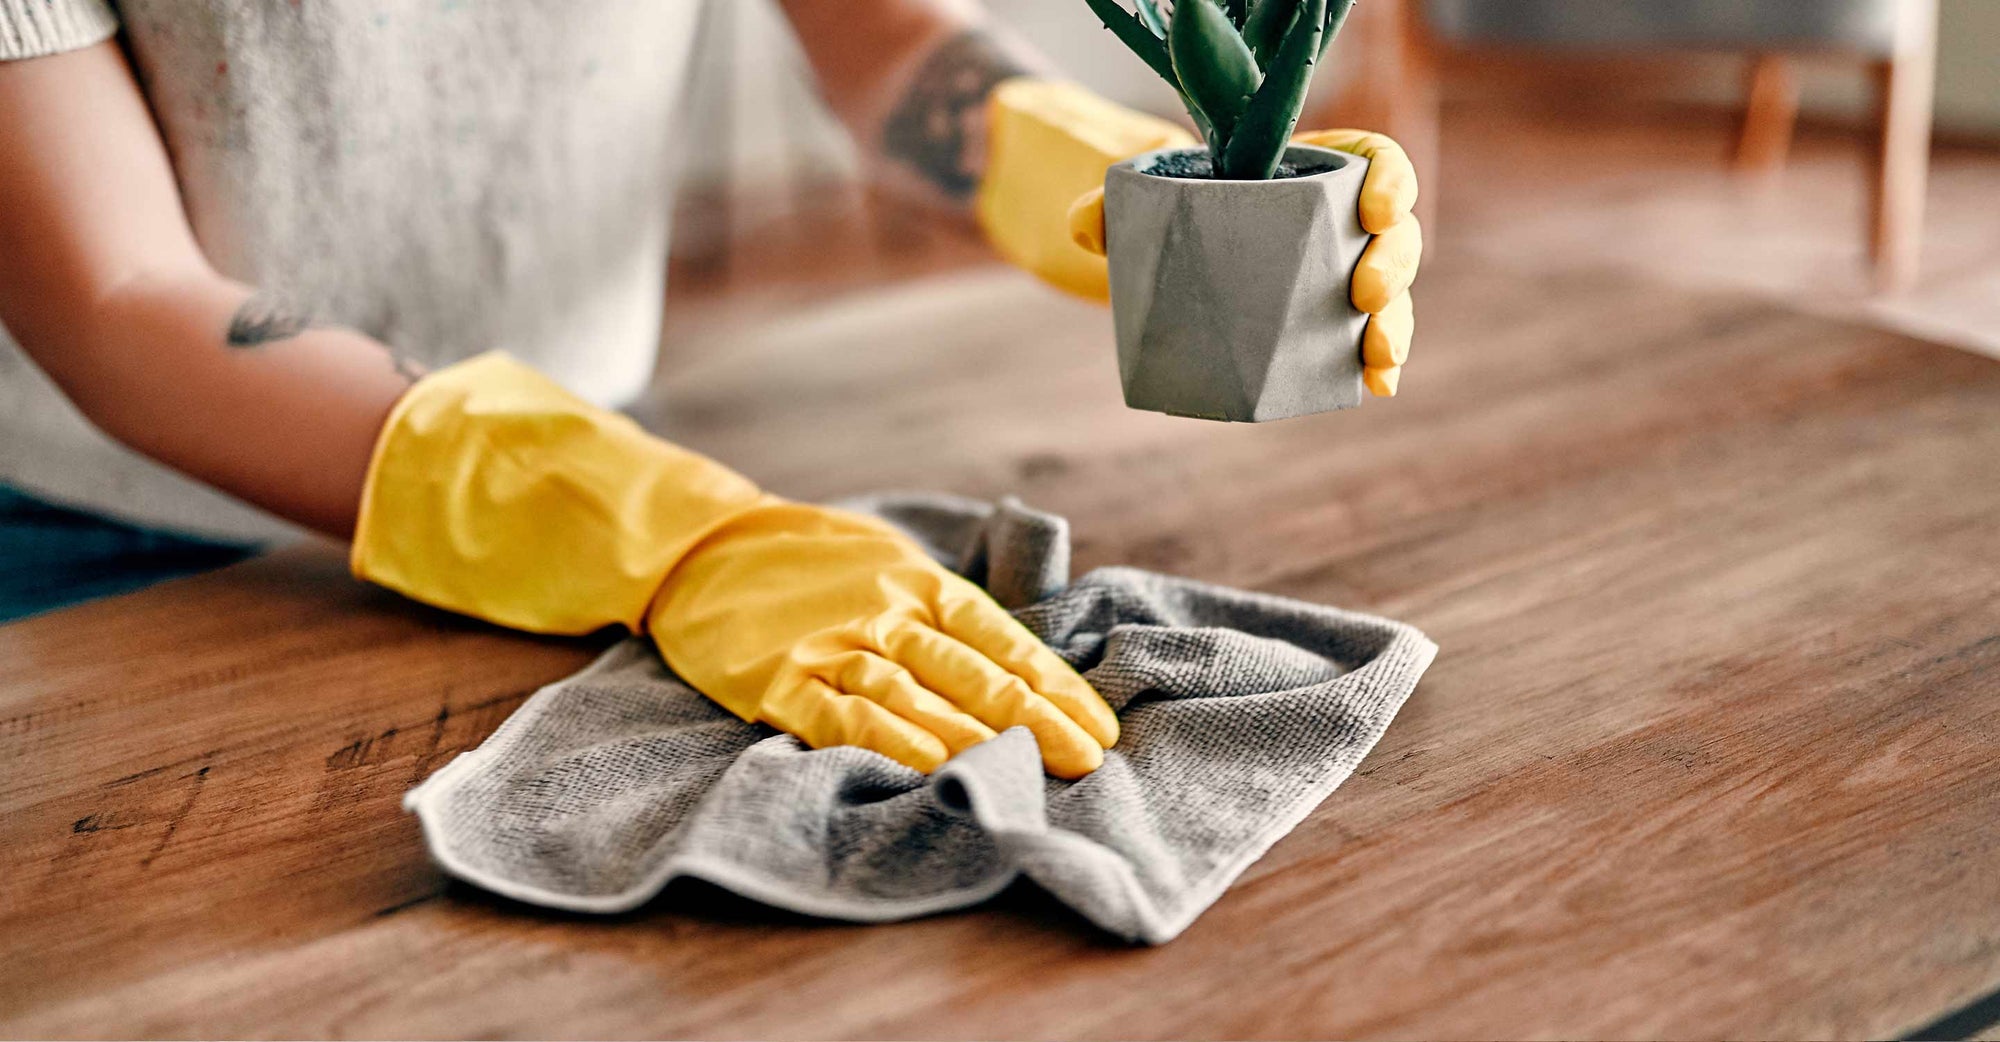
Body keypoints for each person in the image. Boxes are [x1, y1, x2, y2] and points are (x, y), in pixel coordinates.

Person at [0, 0, 1420, 777]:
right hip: (121, 557)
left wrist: (1109, 182)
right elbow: (117, 298)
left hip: (582, 504)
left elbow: (882, 42)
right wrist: (677, 534)